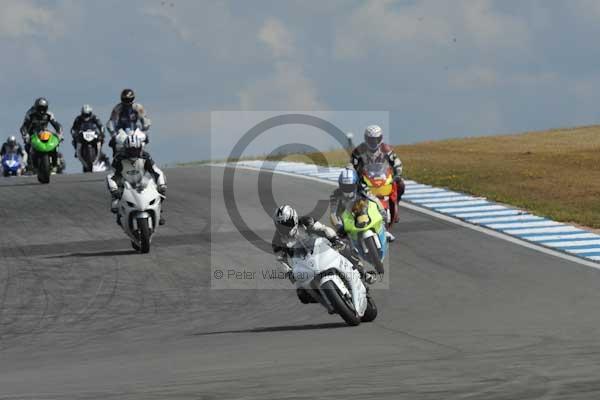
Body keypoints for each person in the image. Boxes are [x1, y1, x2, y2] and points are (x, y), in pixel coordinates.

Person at [272, 205, 376, 305]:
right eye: (281, 225)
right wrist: (289, 272)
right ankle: (329, 301)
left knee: (345, 247)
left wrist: (334, 239)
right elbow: (281, 261)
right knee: (302, 294)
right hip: (302, 262)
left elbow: (323, 229)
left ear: (294, 218)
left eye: (288, 223)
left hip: (321, 249)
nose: (286, 227)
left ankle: (363, 273)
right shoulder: (277, 241)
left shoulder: (306, 221)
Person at [106, 133, 167, 225]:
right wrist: (114, 189)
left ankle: (158, 211)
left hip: (142, 182)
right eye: (130, 151)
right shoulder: (119, 158)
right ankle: (121, 214)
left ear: (140, 149)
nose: (133, 153)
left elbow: (156, 171)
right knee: (115, 206)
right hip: (125, 183)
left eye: (135, 150)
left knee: (160, 190)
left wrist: (161, 185)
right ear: (126, 149)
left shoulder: (145, 156)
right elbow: (112, 175)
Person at [350, 124, 404, 223]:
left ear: (381, 138)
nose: (373, 142)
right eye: (370, 139)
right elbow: (352, 165)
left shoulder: (386, 149)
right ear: (366, 138)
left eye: (376, 139)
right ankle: (353, 217)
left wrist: (398, 174)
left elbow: (397, 163)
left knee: (401, 183)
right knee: (352, 193)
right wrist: (353, 175)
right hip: (364, 178)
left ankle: (396, 204)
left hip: (383, 175)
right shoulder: (359, 150)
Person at [330, 166, 395, 242]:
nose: (347, 189)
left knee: (369, 205)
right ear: (340, 185)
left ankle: (384, 231)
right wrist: (339, 226)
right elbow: (333, 213)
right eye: (344, 187)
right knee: (341, 241)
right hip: (346, 216)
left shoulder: (362, 188)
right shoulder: (335, 194)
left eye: (350, 186)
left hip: (363, 211)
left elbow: (374, 199)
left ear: (355, 184)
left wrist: (382, 212)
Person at [20, 98, 63, 169]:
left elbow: (56, 125)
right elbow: (24, 126)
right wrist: (25, 135)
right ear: (36, 107)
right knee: (27, 146)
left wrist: (59, 133)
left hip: (45, 131)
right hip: (32, 132)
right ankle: (30, 163)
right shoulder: (30, 113)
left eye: (44, 108)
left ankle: (56, 161)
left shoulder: (49, 114)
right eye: (40, 108)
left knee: (55, 142)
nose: (42, 111)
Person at [106, 89, 151, 155]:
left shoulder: (138, 107)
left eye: (129, 99)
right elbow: (111, 121)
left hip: (135, 132)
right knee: (115, 147)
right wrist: (113, 134)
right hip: (121, 133)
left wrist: (144, 131)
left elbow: (145, 119)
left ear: (133, 98)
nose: (127, 101)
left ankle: (151, 164)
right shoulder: (118, 108)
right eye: (125, 99)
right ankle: (115, 163)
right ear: (122, 99)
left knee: (145, 152)